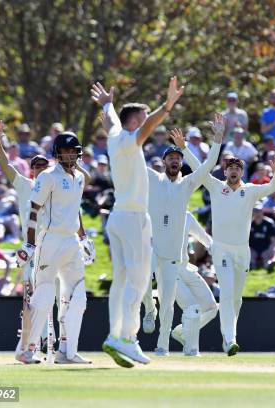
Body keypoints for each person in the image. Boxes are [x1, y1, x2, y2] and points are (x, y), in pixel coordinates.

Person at [91, 77, 184, 367]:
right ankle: (128, 339)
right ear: (135, 123)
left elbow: (109, 121)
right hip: (133, 218)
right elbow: (147, 126)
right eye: (141, 119)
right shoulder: (131, 140)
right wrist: (167, 106)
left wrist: (107, 103)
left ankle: (114, 335)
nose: (146, 124)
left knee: (121, 280)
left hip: (118, 217)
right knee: (140, 279)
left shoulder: (115, 136)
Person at [185, 146, 275, 356]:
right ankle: (230, 339)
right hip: (221, 249)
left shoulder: (250, 190)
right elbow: (198, 167)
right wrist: (184, 148)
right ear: (225, 171)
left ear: (242, 172)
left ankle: (228, 337)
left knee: (236, 298)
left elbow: (273, 187)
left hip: (241, 252)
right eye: (231, 168)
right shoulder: (216, 186)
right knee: (227, 294)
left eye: (238, 167)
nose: (234, 171)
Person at [139, 117, 221, 357]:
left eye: (178, 158)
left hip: (173, 256)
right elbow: (131, 159)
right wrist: (116, 132)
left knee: (168, 303)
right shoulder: (153, 179)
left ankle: (162, 345)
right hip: (153, 248)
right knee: (144, 279)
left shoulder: (187, 185)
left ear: (181, 163)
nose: (174, 161)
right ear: (164, 161)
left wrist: (216, 140)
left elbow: (207, 167)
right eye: (170, 158)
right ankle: (147, 308)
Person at [14, 132, 91, 365]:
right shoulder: (48, 176)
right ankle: (26, 350)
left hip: (71, 242)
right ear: (57, 153)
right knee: (45, 295)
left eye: (72, 151)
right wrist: (29, 242)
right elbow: (34, 210)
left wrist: (84, 238)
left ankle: (67, 352)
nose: (69, 155)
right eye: (65, 151)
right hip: (50, 241)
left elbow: (75, 209)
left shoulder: (79, 177)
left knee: (78, 296)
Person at [142, 211, 219, 357]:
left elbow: (205, 238)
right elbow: (150, 244)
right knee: (187, 307)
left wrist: (218, 250)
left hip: (185, 267)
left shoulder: (187, 216)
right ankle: (180, 349)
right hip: (165, 268)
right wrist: (151, 269)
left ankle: (182, 332)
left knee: (211, 308)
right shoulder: (157, 215)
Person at [249, 202, 275, 270]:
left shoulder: (269, 223)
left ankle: (270, 264)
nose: (257, 213)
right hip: (253, 248)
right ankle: (251, 265)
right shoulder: (249, 224)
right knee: (249, 254)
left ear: (262, 211)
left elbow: (274, 241)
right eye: (255, 211)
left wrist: (269, 250)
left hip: (266, 247)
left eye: (259, 211)